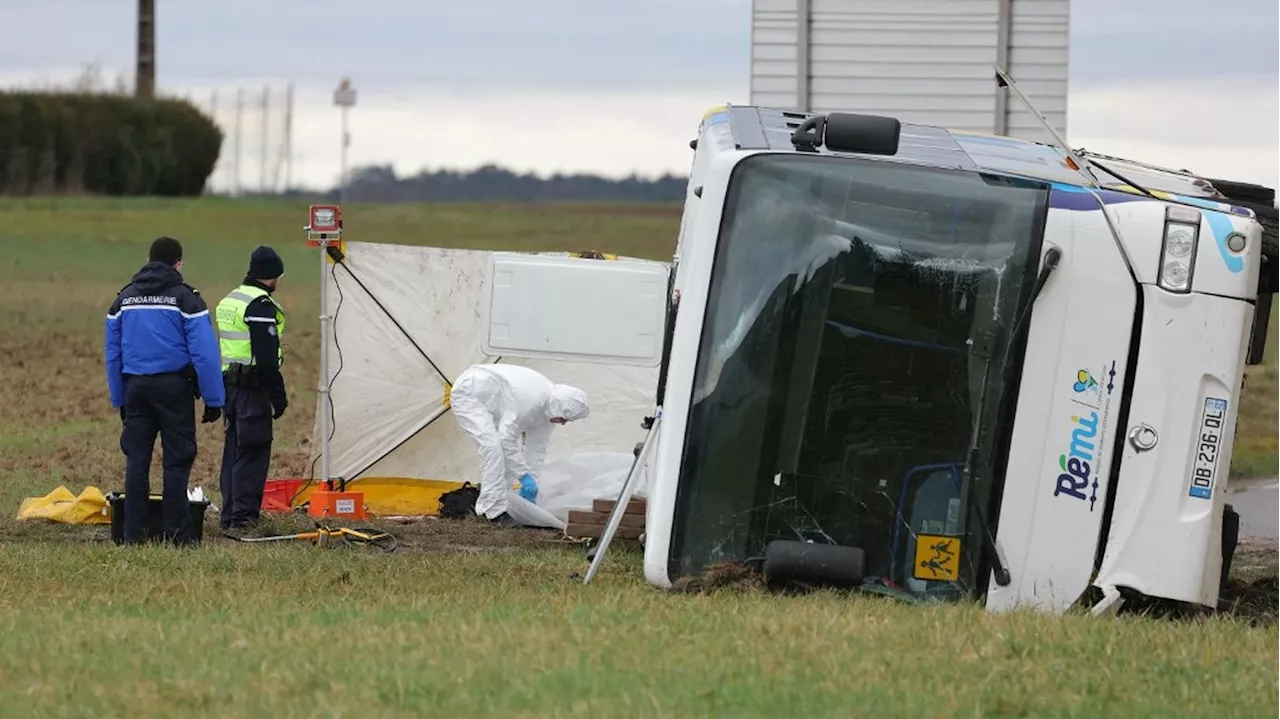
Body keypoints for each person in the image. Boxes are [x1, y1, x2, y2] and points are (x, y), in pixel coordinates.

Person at [105, 236, 225, 545]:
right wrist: (214, 399)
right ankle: (177, 535)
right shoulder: (187, 300)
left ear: (148, 260)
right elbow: (204, 353)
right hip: (174, 389)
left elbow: (113, 353)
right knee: (176, 460)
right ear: (178, 264)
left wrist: (120, 396)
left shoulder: (124, 299)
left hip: (136, 388)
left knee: (136, 461)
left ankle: (132, 535)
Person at [449, 364, 590, 527]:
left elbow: (536, 451)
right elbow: (505, 440)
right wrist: (524, 476)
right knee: (492, 446)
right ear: (557, 409)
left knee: (506, 453)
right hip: (470, 393)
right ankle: (492, 512)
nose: (563, 424)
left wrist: (532, 490)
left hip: (494, 401)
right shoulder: (532, 401)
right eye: (563, 419)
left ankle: (505, 502)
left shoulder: (549, 413)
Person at [215, 246, 289, 532]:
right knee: (253, 450)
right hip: (251, 390)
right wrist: (278, 396)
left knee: (233, 450)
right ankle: (243, 520)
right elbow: (267, 359)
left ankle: (229, 515)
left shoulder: (231, 299)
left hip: (230, 388)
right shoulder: (259, 305)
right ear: (273, 277)